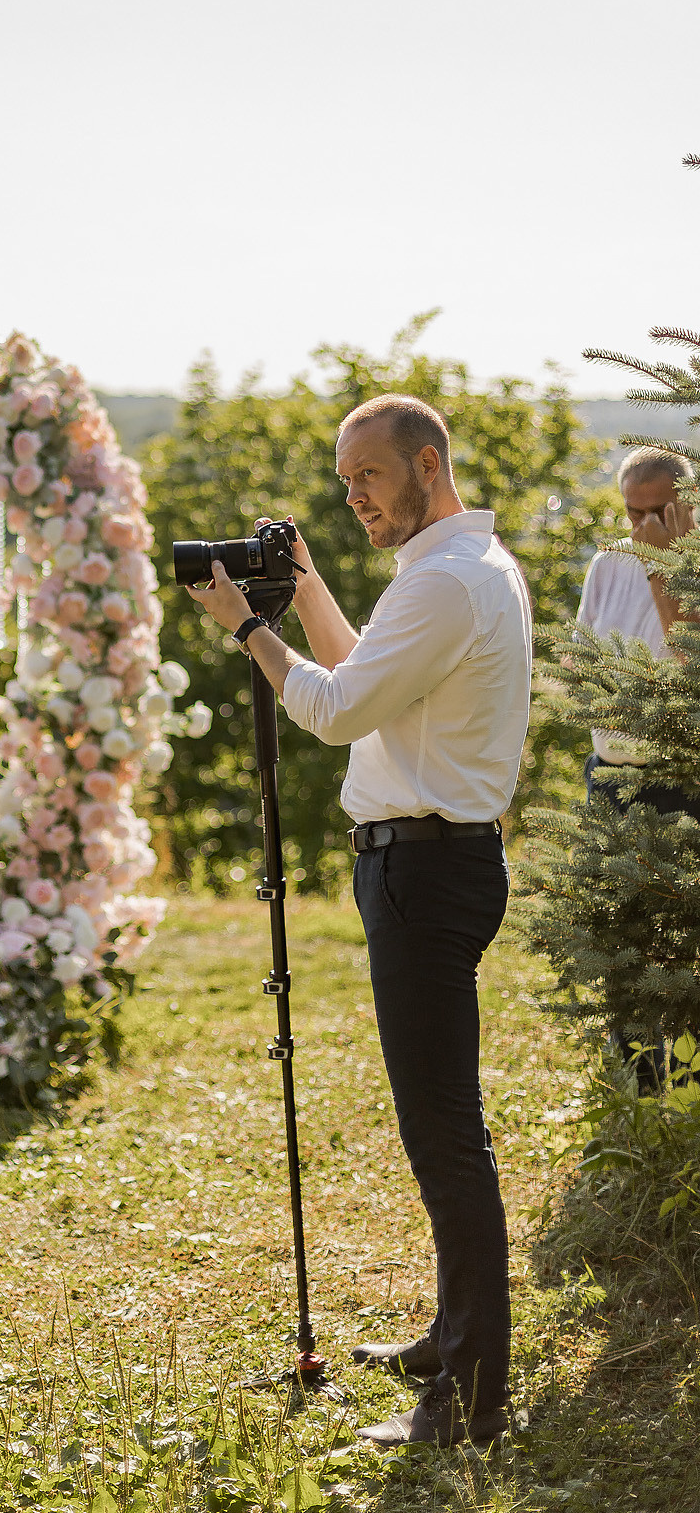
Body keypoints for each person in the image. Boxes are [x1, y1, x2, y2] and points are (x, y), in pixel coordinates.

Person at [188, 395, 531, 1450]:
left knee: (444, 1138)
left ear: (425, 467)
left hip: (424, 877)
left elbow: (331, 711)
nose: (351, 499)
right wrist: (309, 592)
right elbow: (360, 677)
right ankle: (449, 1335)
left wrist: (246, 628)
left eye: (367, 478)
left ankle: (468, 1401)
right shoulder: (462, 571)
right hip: (433, 866)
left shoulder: (443, 585)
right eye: (342, 483)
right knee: (442, 1128)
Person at [576, 446, 698, 1086]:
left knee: (680, 946)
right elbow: (582, 658)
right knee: (624, 938)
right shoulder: (606, 565)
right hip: (611, 773)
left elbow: (688, 664)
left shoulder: (694, 565)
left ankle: (686, 1084)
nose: (645, 528)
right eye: (633, 514)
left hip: (683, 779)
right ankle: (637, 1082)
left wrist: (664, 572)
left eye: (660, 512)